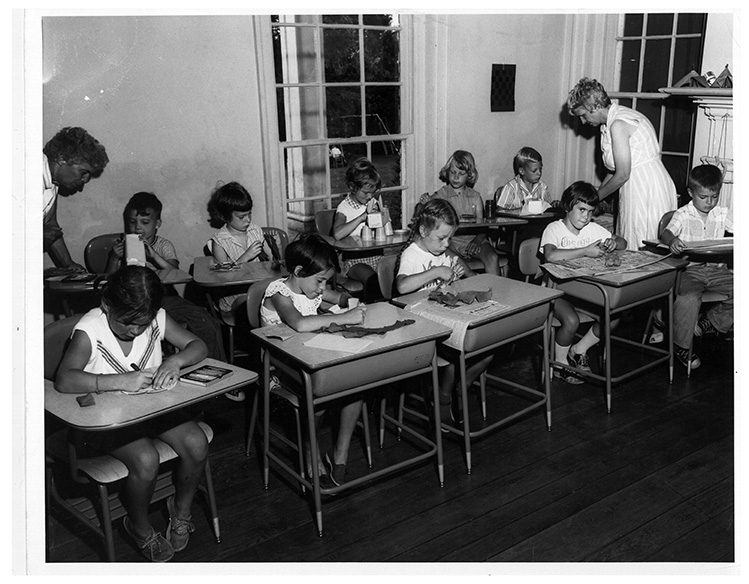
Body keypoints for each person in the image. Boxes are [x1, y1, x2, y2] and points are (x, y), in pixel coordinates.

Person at [55, 266, 210, 562]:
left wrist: (174, 361)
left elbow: (197, 345)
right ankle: (138, 526)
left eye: (143, 324)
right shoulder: (92, 329)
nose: (136, 331)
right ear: (107, 305)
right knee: (146, 458)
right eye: (127, 323)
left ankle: (181, 510)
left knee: (197, 442)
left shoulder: (156, 318)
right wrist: (117, 381)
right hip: (107, 420)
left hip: (150, 409)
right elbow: (65, 379)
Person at [260, 233, 366, 487]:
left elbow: (338, 298)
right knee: (316, 394)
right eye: (320, 281)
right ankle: (311, 448)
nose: (322, 288)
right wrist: (345, 318)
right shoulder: (279, 293)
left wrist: (350, 304)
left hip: (312, 358)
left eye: (325, 282)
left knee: (358, 379)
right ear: (298, 270)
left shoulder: (313, 288)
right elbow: (299, 323)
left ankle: (340, 453)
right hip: (281, 367)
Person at [394, 198, 493, 427]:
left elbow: (448, 286)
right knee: (454, 354)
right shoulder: (412, 254)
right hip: (417, 324)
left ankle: (460, 384)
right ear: (423, 230)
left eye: (449, 237)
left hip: (441, 317)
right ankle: (445, 397)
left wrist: (454, 275)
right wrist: (437, 271)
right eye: (442, 238)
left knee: (487, 344)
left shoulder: (440, 250)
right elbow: (402, 287)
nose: (446, 243)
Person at [105, 191, 227, 363]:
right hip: (134, 303)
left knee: (204, 319)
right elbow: (110, 281)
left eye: (145, 222)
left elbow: (174, 270)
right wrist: (114, 258)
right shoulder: (122, 246)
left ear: (157, 223)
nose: (137, 228)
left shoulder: (163, 246)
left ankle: (217, 368)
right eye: (132, 222)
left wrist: (154, 256)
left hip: (165, 298)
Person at [567, 77, 677, 250]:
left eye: (583, 115)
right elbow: (614, 169)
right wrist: (593, 195)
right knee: (631, 240)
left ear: (593, 107)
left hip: (645, 188)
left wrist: (593, 201)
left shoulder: (618, 124)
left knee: (642, 245)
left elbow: (623, 174)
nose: (582, 121)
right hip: (636, 185)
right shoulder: (610, 123)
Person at [540, 181, 627, 384]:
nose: (586, 217)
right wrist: (585, 251)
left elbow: (623, 243)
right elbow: (551, 256)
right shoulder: (554, 229)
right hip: (555, 291)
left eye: (590, 212)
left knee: (612, 317)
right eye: (581, 210)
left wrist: (614, 243)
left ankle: (579, 349)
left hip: (583, 292)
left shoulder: (593, 228)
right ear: (568, 205)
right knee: (571, 321)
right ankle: (561, 363)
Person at [659, 164, 733, 370]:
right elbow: (666, 233)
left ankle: (709, 322)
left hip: (717, 270)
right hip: (690, 270)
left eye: (714, 197)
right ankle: (682, 346)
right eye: (704, 197)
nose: (709, 203)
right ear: (691, 193)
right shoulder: (683, 214)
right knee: (688, 297)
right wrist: (672, 240)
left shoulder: (720, 213)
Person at [421, 150, 507, 277]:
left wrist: (477, 241)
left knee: (492, 256)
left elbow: (483, 226)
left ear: (469, 175)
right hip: (451, 241)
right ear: (447, 171)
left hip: (475, 240)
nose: (456, 177)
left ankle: (496, 291)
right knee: (452, 255)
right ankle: (471, 277)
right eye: (453, 172)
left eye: (461, 173)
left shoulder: (475, 197)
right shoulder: (441, 194)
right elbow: (426, 210)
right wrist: (425, 202)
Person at [43, 127, 109, 269]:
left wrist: (68, 264)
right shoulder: (22, 173)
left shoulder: (54, 182)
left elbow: (50, 225)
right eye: (83, 172)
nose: (85, 180)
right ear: (61, 159)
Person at [206, 181, 269, 313]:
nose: (248, 220)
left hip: (258, 287)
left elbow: (268, 264)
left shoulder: (255, 231)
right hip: (233, 295)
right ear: (225, 217)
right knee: (253, 304)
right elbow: (223, 278)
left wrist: (275, 252)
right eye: (241, 217)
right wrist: (245, 257)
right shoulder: (220, 242)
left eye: (249, 214)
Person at [332, 157, 386, 301]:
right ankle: (374, 310)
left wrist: (383, 215)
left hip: (377, 256)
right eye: (365, 193)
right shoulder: (344, 207)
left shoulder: (372, 203)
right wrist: (362, 217)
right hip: (355, 261)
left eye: (372, 193)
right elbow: (337, 234)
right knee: (373, 279)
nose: (369, 197)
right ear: (352, 187)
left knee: (394, 273)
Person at [494, 147, 554, 211]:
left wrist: (553, 205)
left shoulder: (542, 187)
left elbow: (548, 208)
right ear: (522, 171)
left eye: (540, 169)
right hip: (517, 221)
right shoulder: (511, 188)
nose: (539, 173)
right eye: (534, 171)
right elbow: (500, 211)